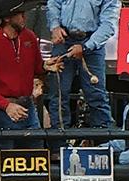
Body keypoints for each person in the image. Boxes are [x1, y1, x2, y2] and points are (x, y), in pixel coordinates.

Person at [0, 0, 63, 160]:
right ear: (7, 18)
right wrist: (6, 105)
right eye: (20, 14)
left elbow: (37, 67)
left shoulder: (29, 37)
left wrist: (46, 67)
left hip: (27, 107)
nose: (24, 17)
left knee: (36, 161)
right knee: (4, 166)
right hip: (3, 111)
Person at [47, 0, 118, 131]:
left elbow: (109, 24)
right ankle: (58, 146)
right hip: (64, 39)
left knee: (96, 95)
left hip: (92, 43)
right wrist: (55, 26)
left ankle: (105, 143)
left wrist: (85, 47)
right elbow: (53, 4)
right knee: (58, 95)